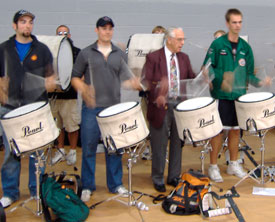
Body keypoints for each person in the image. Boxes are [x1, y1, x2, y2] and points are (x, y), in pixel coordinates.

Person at [71, 16, 141, 202]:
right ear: (97, 30)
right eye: (103, 28)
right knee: (88, 148)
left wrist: (134, 83)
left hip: (113, 110)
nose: (107, 31)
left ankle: (116, 184)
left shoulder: (119, 54)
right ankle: (87, 186)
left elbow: (126, 78)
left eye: (110, 28)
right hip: (91, 110)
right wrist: (84, 88)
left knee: (114, 148)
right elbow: (75, 77)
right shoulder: (86, 53)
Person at [203, 8, 271, 183]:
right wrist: (221, 78)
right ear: (227, 24)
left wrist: (260, 82)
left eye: (240, 22)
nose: (237, 25)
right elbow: (207, 67)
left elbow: (249, 73)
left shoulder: (245, 47)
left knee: (235, 132)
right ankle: (213, 166)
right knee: (218, 132)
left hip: (239, 96)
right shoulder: (218, 45)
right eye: (234, 22)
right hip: (221, 95)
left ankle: (233, 163)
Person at [0, 9, 56, 208]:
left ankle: (36, 190)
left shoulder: (42, 50)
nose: (27, 26)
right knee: (10, 153)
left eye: (30, 22)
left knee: (37, 154)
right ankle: (10, 192)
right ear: (15, 26)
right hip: (10, 109)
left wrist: (50, 82)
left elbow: (51, 76)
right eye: (23, 22)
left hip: (35, 109)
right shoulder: (3, 49)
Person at [143, 27, 196, 192]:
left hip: (179, 105)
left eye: (183, 39)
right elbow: (146, 81)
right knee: (159, 145)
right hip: (161, 106)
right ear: (169, 40)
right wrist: (158, 92)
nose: (182, 43)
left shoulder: (184, 58)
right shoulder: (153, 57)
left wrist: (203, 77)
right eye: (180, 40)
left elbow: (191, 78)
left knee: (177, 143)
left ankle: (173, 176)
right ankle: (157, 177)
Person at [49, 25, 81, 166]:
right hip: (54, 96)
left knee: (71, 126)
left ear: (70, 35)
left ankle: (72, 152)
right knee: (57, 126)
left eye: (65, 33)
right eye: (59, 33)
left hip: (70, 97)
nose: (62, 34)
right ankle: (60, 150)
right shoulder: (49, 52)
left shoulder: (76, 52)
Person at [141, 25, 167, 160]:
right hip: (146, 95)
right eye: (156, 34)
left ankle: (162, 149)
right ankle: (147, 147)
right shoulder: (145, 53)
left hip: (163, 96)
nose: (159, 36)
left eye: (162, 34)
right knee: (147, 122)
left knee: (162, 123)